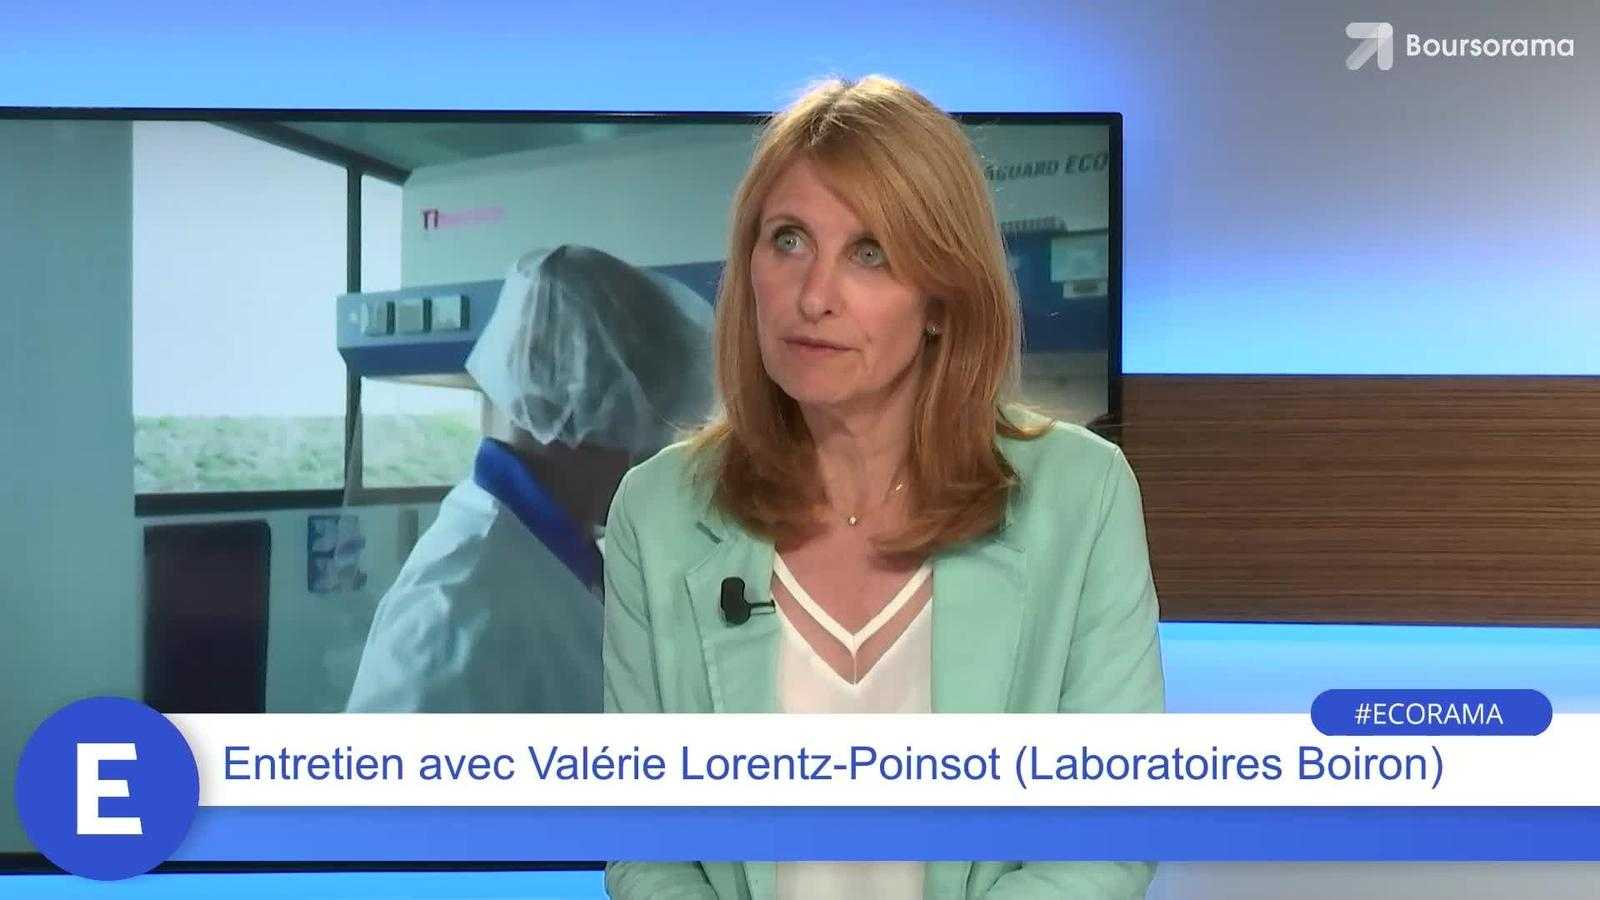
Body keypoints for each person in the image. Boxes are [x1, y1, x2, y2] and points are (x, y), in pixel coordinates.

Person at [601, 77, 1165, 899]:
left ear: (940, 298)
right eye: (788, 240)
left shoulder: (1082, 495)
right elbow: (646, 847)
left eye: (870, 253)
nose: (814, 296)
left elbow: (1104, 836)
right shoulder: (657, 512)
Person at [347, 244, 713, 713]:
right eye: (661, 426)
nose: (663, 456)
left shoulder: (560, 559)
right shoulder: (456, 617)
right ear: (598, 412)